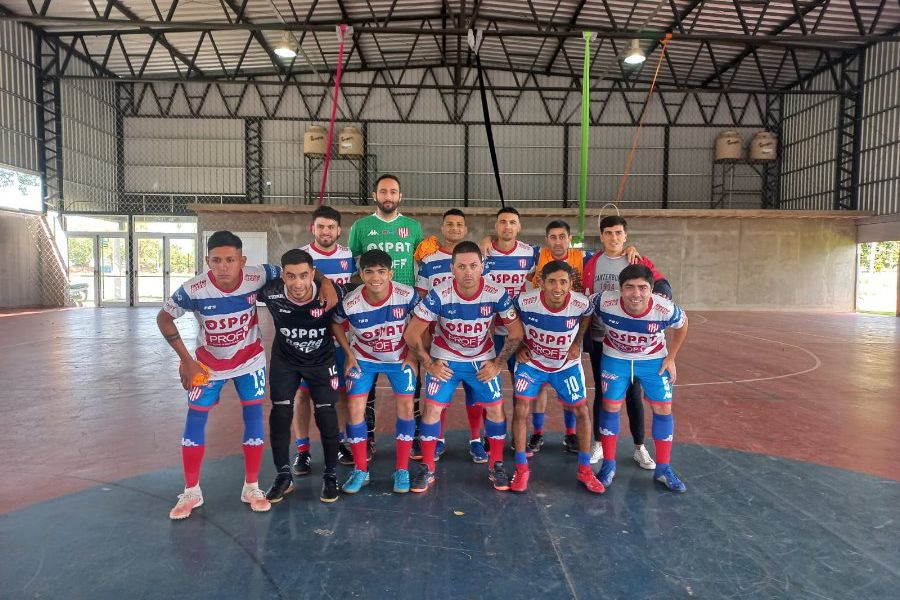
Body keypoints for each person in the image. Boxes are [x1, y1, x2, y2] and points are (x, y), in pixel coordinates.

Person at [157, 231, 281, 520]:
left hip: (250, 361)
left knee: (253, 417)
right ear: (206, 261)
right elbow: (164, 316)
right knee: (195, 418)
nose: (223, 266)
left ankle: (251, 486)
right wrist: (186, 361)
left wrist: (323, 284)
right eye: (216, 261)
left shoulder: (258, 275)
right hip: (208, 366)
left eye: (230, 260)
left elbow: (292, 269)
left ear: (242, 260)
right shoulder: (194, 289)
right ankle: (191, 491)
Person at [403, 241, 524, 493]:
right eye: (461, 266)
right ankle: (427, 468)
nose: (467, 272)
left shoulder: (496, 292)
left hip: (482, 359)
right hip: (445, 358)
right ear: (452, 268)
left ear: (482, 266)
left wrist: (498, 364)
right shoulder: (439, 293)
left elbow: (515, 333)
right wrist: (429, 363)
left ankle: (496, 464)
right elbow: (412, 334)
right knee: (432, 409)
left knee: (495, 409)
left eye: (473, 265)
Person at [583, 215, 673, 471]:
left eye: (618, 233)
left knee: (634, 393)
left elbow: (662, 284)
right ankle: (600, 442)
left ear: (626, 236)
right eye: (609, 232)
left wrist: (660, 299)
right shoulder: (591, 262)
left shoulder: (637, 260)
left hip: (635, 342)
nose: (614, 237)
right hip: (602, 339)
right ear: (601, 236)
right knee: (604, 393)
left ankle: (639, 446)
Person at [257, 249, 344, 504]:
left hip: (321, 362)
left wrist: (327, 283)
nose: (298, 283)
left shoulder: (331, 293)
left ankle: (331, 474)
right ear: (283, 276)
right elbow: (237, 288)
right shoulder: (270, 291)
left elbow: (368, 285)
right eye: (291, 276)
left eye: (304, 276)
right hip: (286, 361)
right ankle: (283, 475)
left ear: (313, 274)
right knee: (280, 413)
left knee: (327, 414)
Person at [510, 261, 605, 494]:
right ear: (541, 282)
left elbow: (587, 315)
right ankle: (521, 469)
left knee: (581, 411)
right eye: (552, 281)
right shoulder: (525, 301)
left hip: (566, 365)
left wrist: (577, 341)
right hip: (533, 363)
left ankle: (585, 469)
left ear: (571, 283)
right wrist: (520, 344)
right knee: (521, 408)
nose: (558, 287)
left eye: (563, 281)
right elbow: (509, 317)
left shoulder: (581, 303)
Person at [347, 174, 424, 457]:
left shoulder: (413, 227)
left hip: (405, 308)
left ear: (400, 196)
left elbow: (426, 261)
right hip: (371, 306)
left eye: (393, 192)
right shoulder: (361, 226)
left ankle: (413, 434)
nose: (388, 196)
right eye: (383, 191)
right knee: (366, 373)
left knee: (410, 372)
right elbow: (351, 263)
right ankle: (366, 437)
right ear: (375, 195)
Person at [594, 264, 688, 492]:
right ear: (620, 289)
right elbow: (582, 312)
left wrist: (672, 357)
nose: (636, 294)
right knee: (610, 406)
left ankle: (663, 468)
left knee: (663, 409)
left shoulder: (664, 308)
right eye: (629, 287)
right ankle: (608, 464)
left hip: (653, 360)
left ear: (651, 289)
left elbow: (683, 324)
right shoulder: (603, 301)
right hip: (616, 358)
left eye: (642, 288)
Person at [334, 250, 420, 494]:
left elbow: (422, 321)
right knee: (354, 410)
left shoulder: (407, 294)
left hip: (399, 359)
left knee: (405, 408)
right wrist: (349, 354)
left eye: (382, 272)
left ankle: (401, 469)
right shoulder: (351, 301)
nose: (375, 277)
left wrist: (413, 355)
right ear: (361, 274)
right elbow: (335, 322)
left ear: (390, 273)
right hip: (364, 359)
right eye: (369, 272)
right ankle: (361, 469)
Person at [414, 209, 489, 464]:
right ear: (443, 228)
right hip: (441, 341)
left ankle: (476, 440)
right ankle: (438, 439)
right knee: (438, 396)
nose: (455, 228)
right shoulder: (429, 260)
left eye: (459, 225)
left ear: (465, 229)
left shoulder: (478, 260)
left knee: (474, 392)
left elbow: (485, 297)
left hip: (474, 340)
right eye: (450, 224)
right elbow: (422, 299)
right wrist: (424, 339)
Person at [292, 205, 357, 476]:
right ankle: (303, 450)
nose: (326, 231)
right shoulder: (301, 257)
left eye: (331, 227)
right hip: (309, 339)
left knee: (341, 392)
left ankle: (342, 442)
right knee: (303, 394)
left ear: (339, 230)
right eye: (321, 226)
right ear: (312, 229)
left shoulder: (348, 256)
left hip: (340, 337)